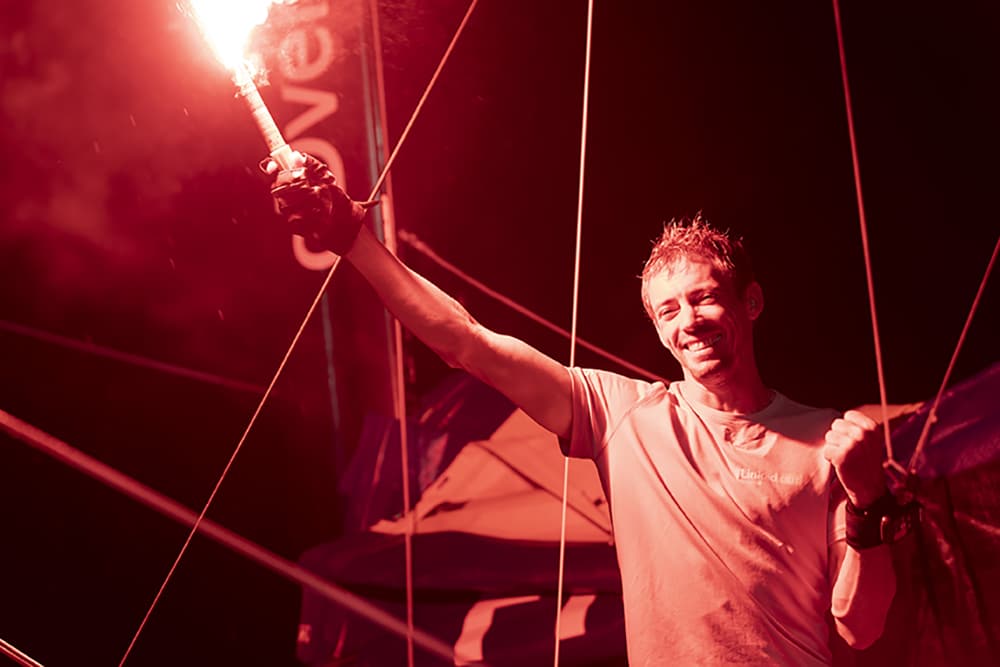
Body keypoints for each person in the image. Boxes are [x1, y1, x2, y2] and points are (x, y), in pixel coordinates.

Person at [269, 155, 898, 666]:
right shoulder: (624, 415)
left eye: (704, 299)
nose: (691, 322)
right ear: (657, 331)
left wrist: (868, 502)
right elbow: (467, 343)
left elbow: (860, 629)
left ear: (751, 301)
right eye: (669, 311)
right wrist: (353, 240)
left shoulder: (827, 442)